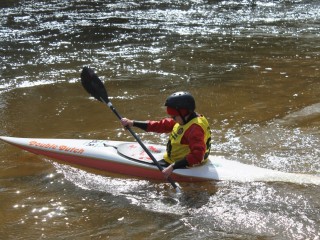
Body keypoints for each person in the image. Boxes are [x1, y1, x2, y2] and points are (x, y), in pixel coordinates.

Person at [120, 91, 211, 179]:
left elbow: (197, 156)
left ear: (184, 113)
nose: (172, 119)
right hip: (181, 161)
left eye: (174, 116)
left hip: (184, 165)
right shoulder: (186, 119)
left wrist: (173, 167)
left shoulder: (194, 129)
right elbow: (159, 126)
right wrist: (133, 123)